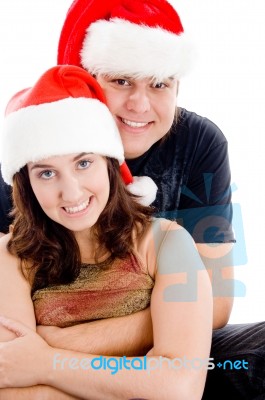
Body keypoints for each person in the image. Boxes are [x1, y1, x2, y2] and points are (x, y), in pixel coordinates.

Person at [0, 0, 264, 398]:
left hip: (177, 346)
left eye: (158, 84)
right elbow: (8, 355)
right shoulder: (29, 155)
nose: (139, 105)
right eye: (121, 81)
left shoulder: (198, 146)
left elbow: (214, 308)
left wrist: (48, 356)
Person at [0, 64, 212, 399]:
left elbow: (178, 387)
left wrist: (46, 363)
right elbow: (11, 387)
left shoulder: (166, 243)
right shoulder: (10, 256)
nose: (71, 193)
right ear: (26, 185)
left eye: (84, 164)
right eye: (46, 173)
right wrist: (136, 382)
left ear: (111, 164)